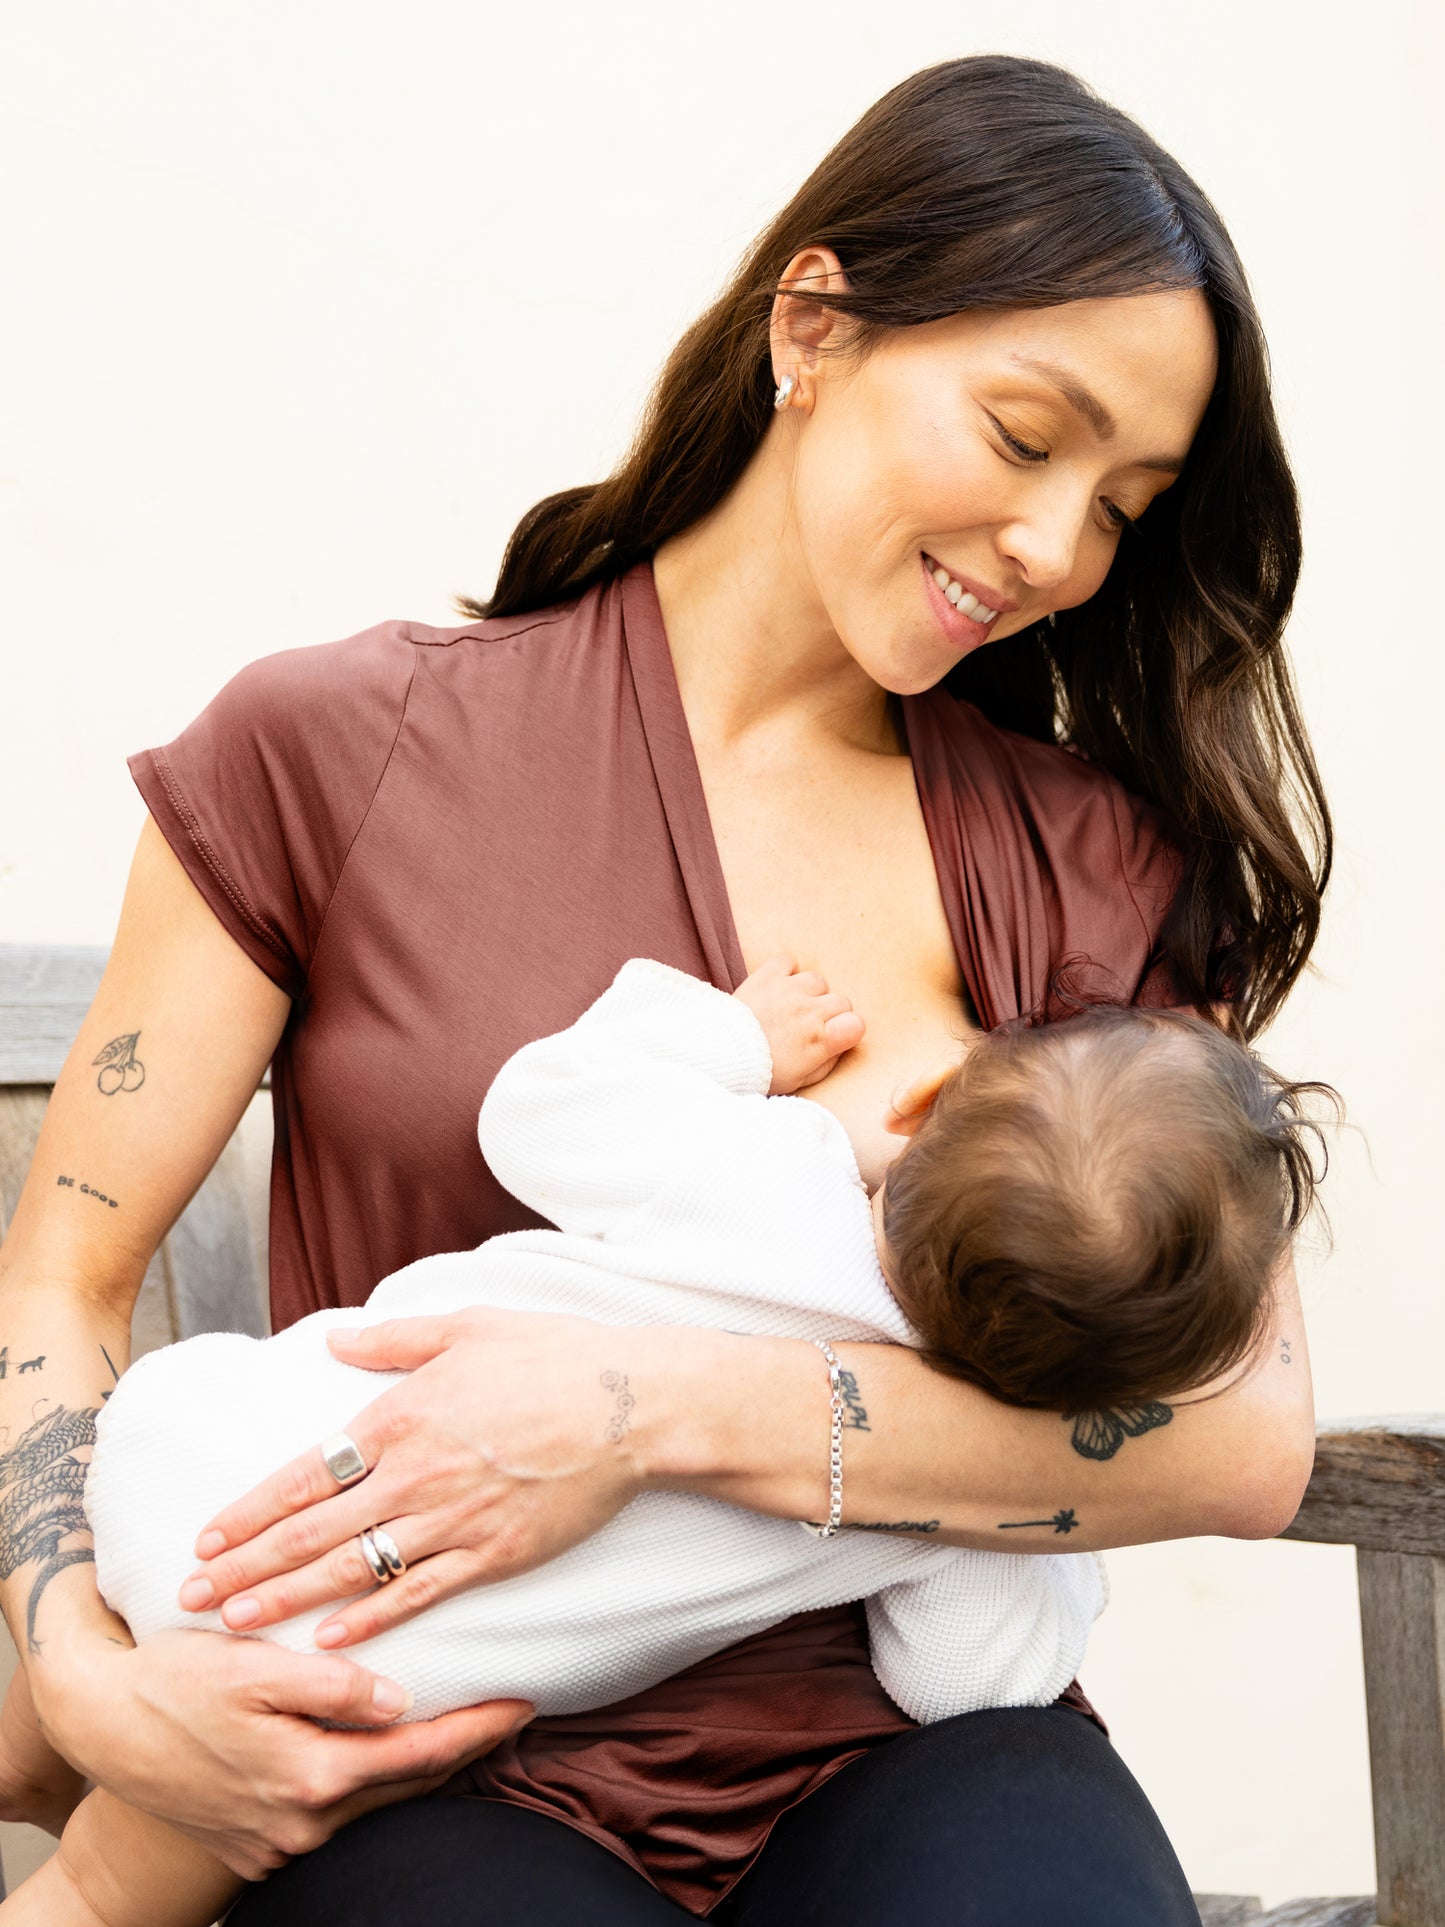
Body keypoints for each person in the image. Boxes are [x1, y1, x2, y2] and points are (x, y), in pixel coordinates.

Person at [0, 52, 1329, 1927]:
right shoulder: (341, 749)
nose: (1057, 550)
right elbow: (63, 1271)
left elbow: (1241, 1435)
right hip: (439, 1734)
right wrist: (82, 1671)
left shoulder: (1083, 862)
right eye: (1030, 438)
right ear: (815, 323)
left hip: (908, 1747)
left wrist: (644, 1408)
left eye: (1123, 504)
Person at [1, 948, 1326, 1927]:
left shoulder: (762, 1170)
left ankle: (37, 1722)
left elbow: (541, 1102)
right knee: (111, 1888)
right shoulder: (916, 1489)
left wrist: (734, 1040)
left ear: (918, 1111)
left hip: (203, 1446)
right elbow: (963, 1684)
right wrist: (1050, 1545)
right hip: (354, 1681)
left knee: (112, 1672)